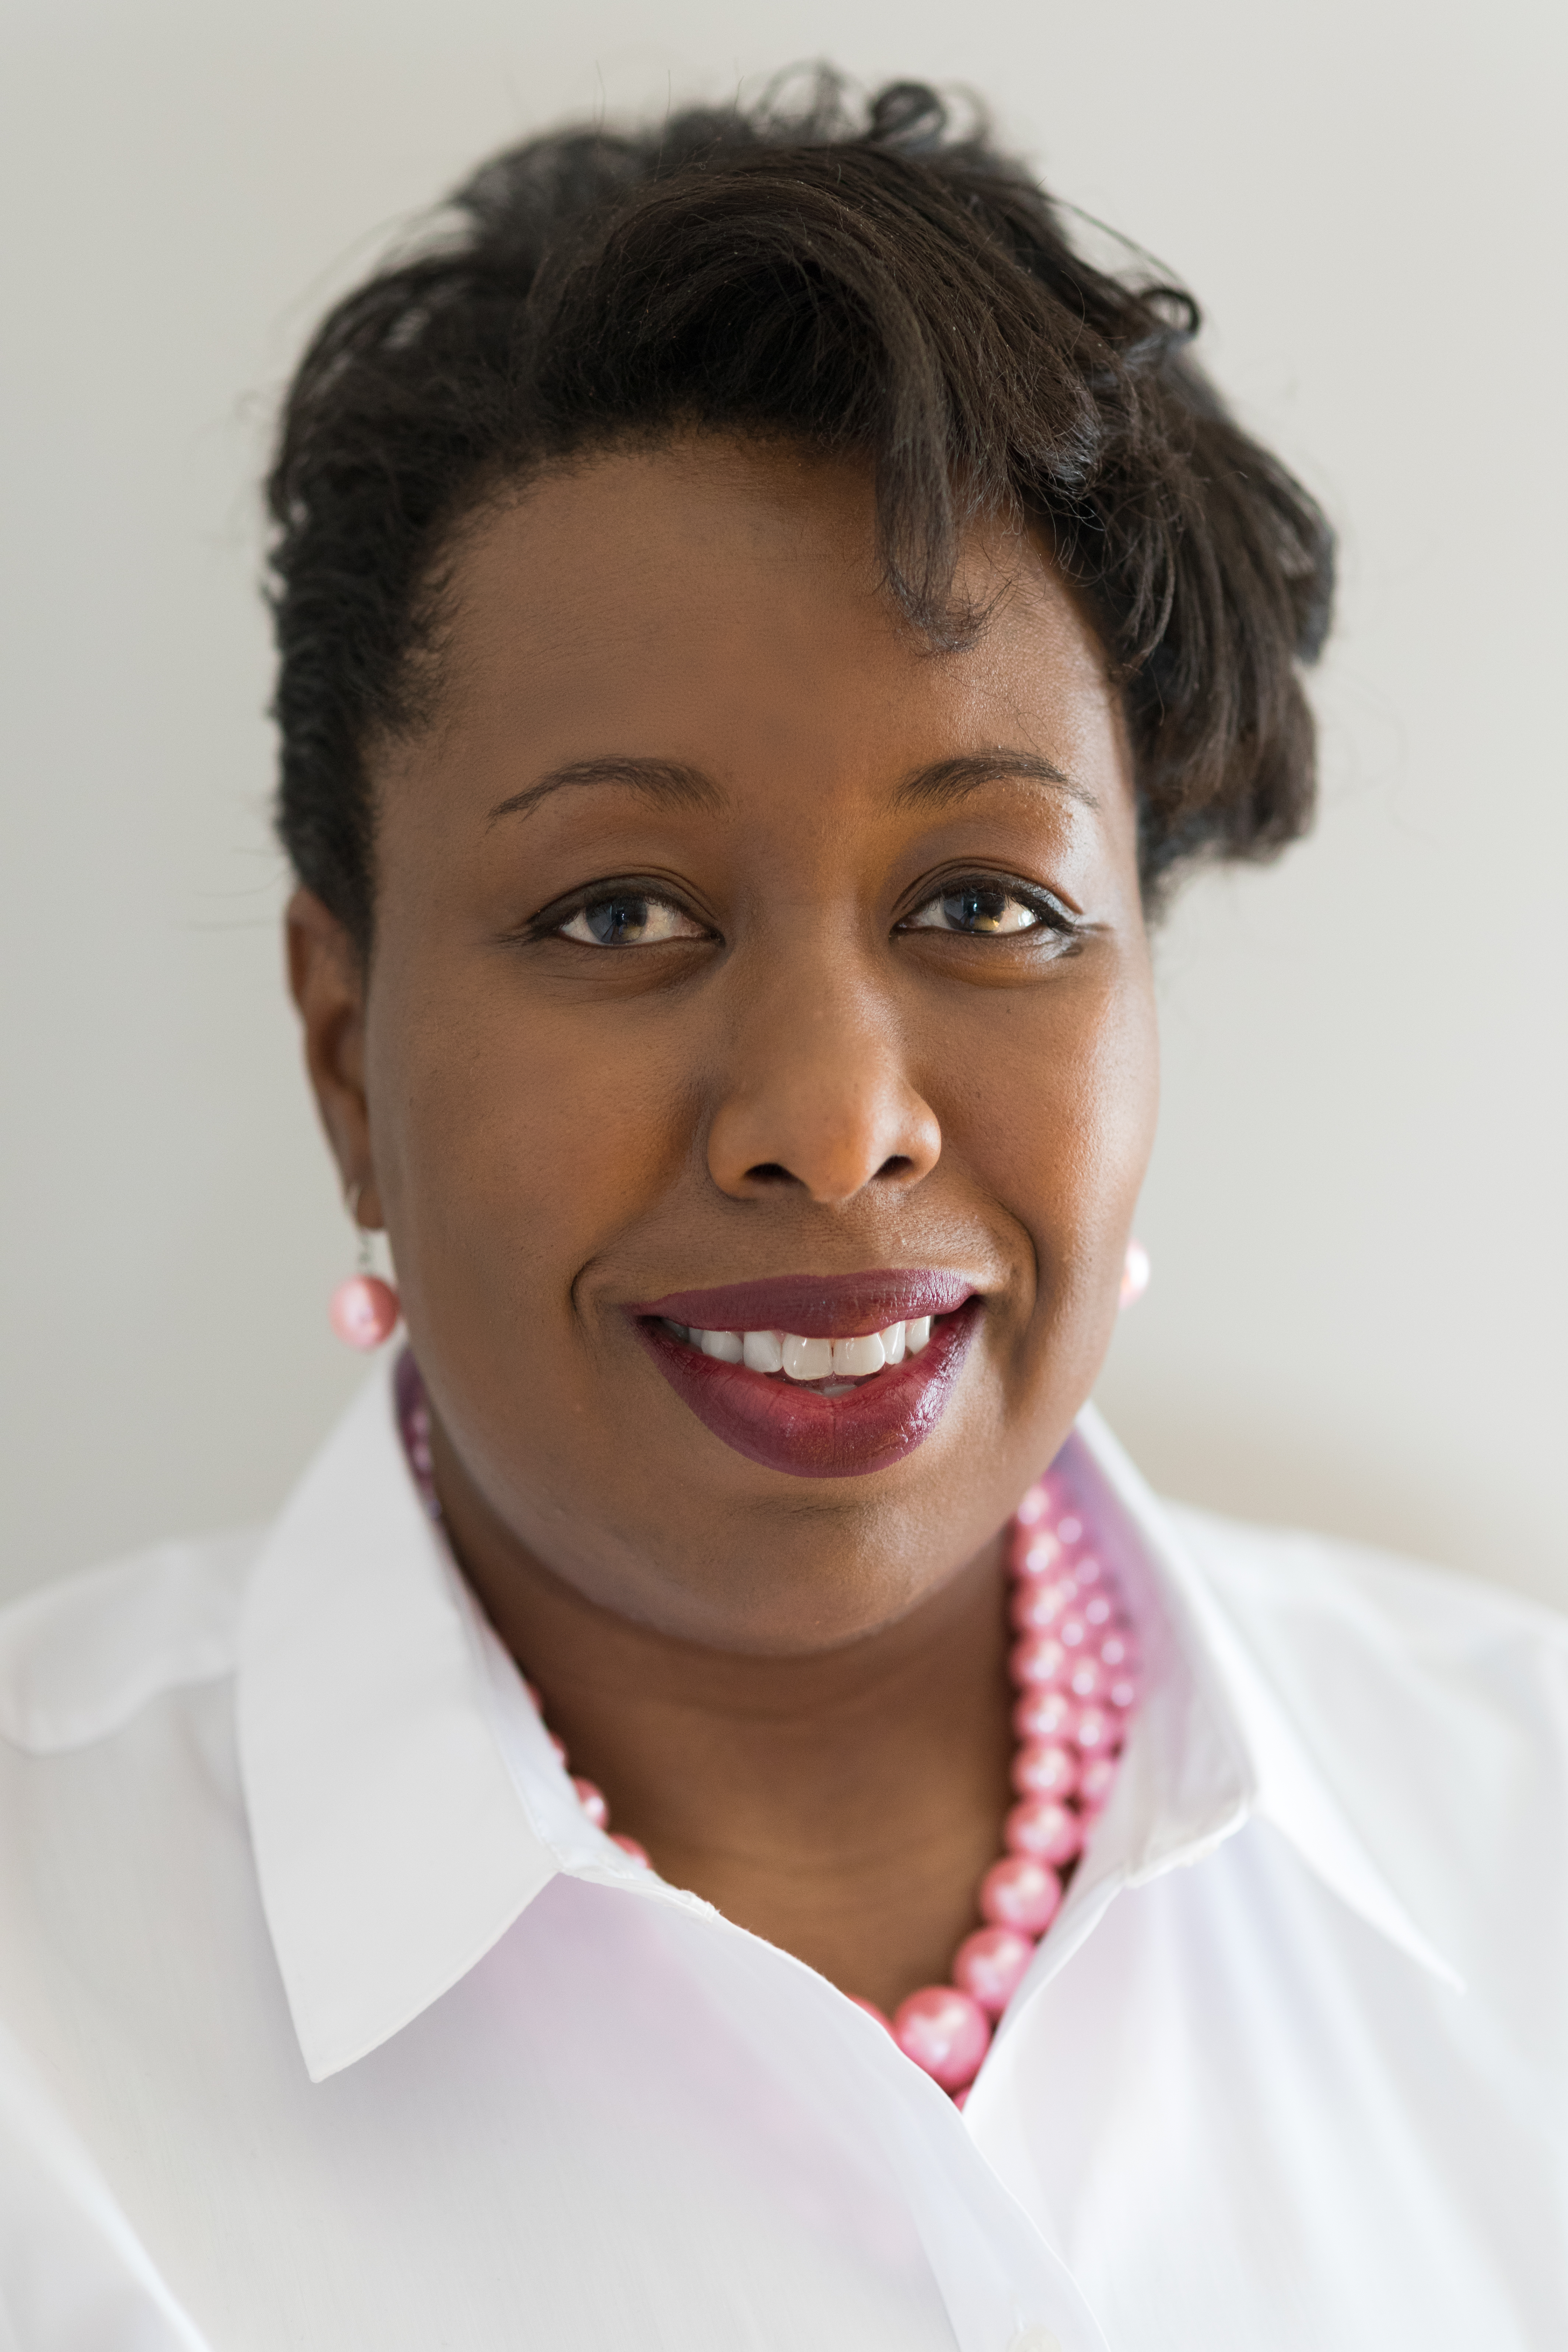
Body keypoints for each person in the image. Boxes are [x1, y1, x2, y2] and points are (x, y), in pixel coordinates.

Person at [0, 73, 1562, 2352]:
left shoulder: (1524, 1852)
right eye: (619, 910)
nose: (832, 1126)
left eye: (990, 903)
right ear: (348, 1054)